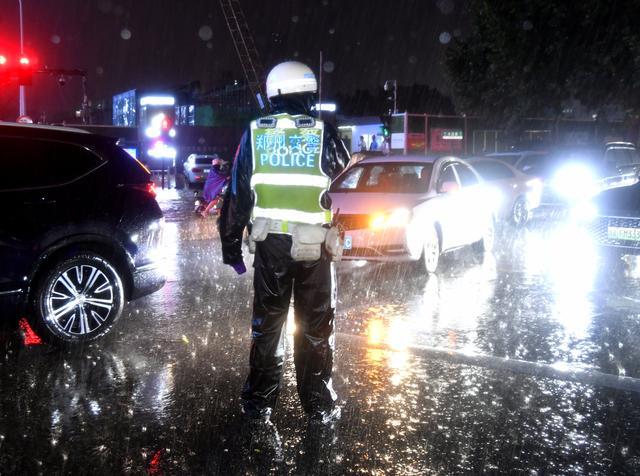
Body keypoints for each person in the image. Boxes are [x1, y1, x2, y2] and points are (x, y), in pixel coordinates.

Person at [219, 61, 350, 429]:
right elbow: (339, 163)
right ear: (308, 92)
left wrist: (231, 246)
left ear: (274, 92)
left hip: (272, 245)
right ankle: (318, 406)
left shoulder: (256, 134)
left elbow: (238, 194)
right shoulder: (322, 131)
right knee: (315, 328)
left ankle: (259, 405)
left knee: (269, 326)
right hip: (315, 247)